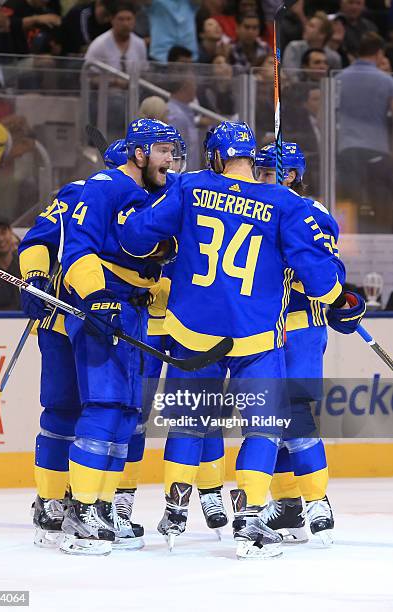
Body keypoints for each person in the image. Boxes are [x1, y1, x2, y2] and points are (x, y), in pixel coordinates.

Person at [120, 120, 350, 558]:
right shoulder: (283, 202)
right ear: (248, 159)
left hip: (194, 332)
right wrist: (340, 297)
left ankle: (174, 509)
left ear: (217, 157)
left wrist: (166, 243)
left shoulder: (188, 187)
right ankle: (249, 521)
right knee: (264, 428)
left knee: (190, 420)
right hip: (256, 335)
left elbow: (134, 238)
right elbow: (318, 279)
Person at [58, 119, 182, 556]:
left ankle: (104, 505)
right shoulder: (102, 186)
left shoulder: (156, 195)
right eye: (164, 150)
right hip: (103, 307)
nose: (171, 160)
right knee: (104, 406)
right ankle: (81, 508)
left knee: (127, 412)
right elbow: (76, 248)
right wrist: (95, 298)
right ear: (141, 152)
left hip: (134, 312)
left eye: (173, 151)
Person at [254, 142, 365, 546]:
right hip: (262, 328)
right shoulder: (250, 209)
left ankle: (317, 499)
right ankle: (286, 504)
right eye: (258, 172)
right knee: (270, 416)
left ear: (290, 175)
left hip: (300, 324)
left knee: (295, 411)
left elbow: (330, 268)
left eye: (269, 173)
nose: (262, 179)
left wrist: (311, 276)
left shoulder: (311, 212)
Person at [336, 32, 393, 233]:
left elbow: (325, 114)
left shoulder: (339, 78)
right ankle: (382, 241)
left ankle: (347, 240)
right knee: (381, 202)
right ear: (379, 53)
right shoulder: (386, 81)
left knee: (350, 200)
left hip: (347, 148)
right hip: (378, 149)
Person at [84, 1, 147, 75]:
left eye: (129, 19)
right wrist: (114, 81)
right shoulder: (99, 45)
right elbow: (88, 76)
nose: (125, 24)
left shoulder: (140, 44)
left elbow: (144, 73)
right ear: (112, 19)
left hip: (133, 86)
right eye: (121, 19)